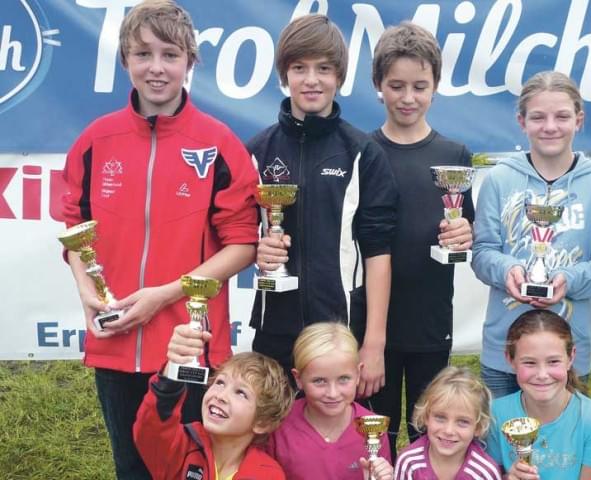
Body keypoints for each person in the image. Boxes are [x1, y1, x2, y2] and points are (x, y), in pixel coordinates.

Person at [60, 1, 258, 477]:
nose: (156, 67)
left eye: (170, 54)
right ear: (125, 59)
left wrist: (164, 296)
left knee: (189, 469)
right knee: (130, 466)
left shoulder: (219, 143)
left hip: (189, 345)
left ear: (190, 61)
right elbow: (73, 232)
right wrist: (87, 289)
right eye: (143, 54)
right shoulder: (95, 140)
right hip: (115, 342)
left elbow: (243, 245)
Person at [246, 14, 398, 399]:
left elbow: (379, 252)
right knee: (274, 440)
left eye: (324, 69)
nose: (312, 80)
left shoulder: (363, 153)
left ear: (339, 77)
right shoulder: (258, 151)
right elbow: (238, 237)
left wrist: (374, 343)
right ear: (284, 74)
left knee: (338, 448)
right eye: (300, 68)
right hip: (275, 330)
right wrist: (256, 250)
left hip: (342, 329)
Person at [366, 22, 474, 459]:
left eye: (419, 86)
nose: (408, 98)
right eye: (396, 86)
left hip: (431, 321)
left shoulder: (454, 156)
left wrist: (465, 233)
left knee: (431, 435)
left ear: (435, 87)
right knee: (377, 431)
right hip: (374, 325)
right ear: (378, 85)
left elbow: (464, 231)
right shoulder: (363, 150)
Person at [471, 71, 591, 398]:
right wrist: (508, 270)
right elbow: (482, 253)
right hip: (504, 349)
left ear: (579, 119)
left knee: (562, 447)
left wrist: (568, 279)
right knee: (502, 445)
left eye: (562, 116)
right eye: (538, 117)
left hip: (567, 352)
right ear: (522, 121)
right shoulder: (499, 179)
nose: (550, 126)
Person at [133, 324, 293, 479]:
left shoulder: (268, 475)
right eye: (220, 383)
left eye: (241, 393)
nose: (221, 395)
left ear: (262, 423)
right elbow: (153, 426)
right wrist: (173, 367)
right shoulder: (181, 447)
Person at [486, 309, 591, 479]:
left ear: (570, 358)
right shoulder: (495, 414)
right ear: (510, 359)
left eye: (553, 362)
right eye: (529, 362)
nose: (542, 374)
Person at [267, 322, 394, 480]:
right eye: (319, 381)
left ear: (358, 374)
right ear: (298, 379)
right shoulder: (279, 427)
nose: (332, 393)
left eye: (343, 379)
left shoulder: (373, 428)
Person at [394, 366, 501, 480]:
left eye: (463, 422)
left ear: (478, 427)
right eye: (440, 418)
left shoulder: (484, 473)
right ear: (426, 416)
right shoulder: (409, 463)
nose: (449, 430)